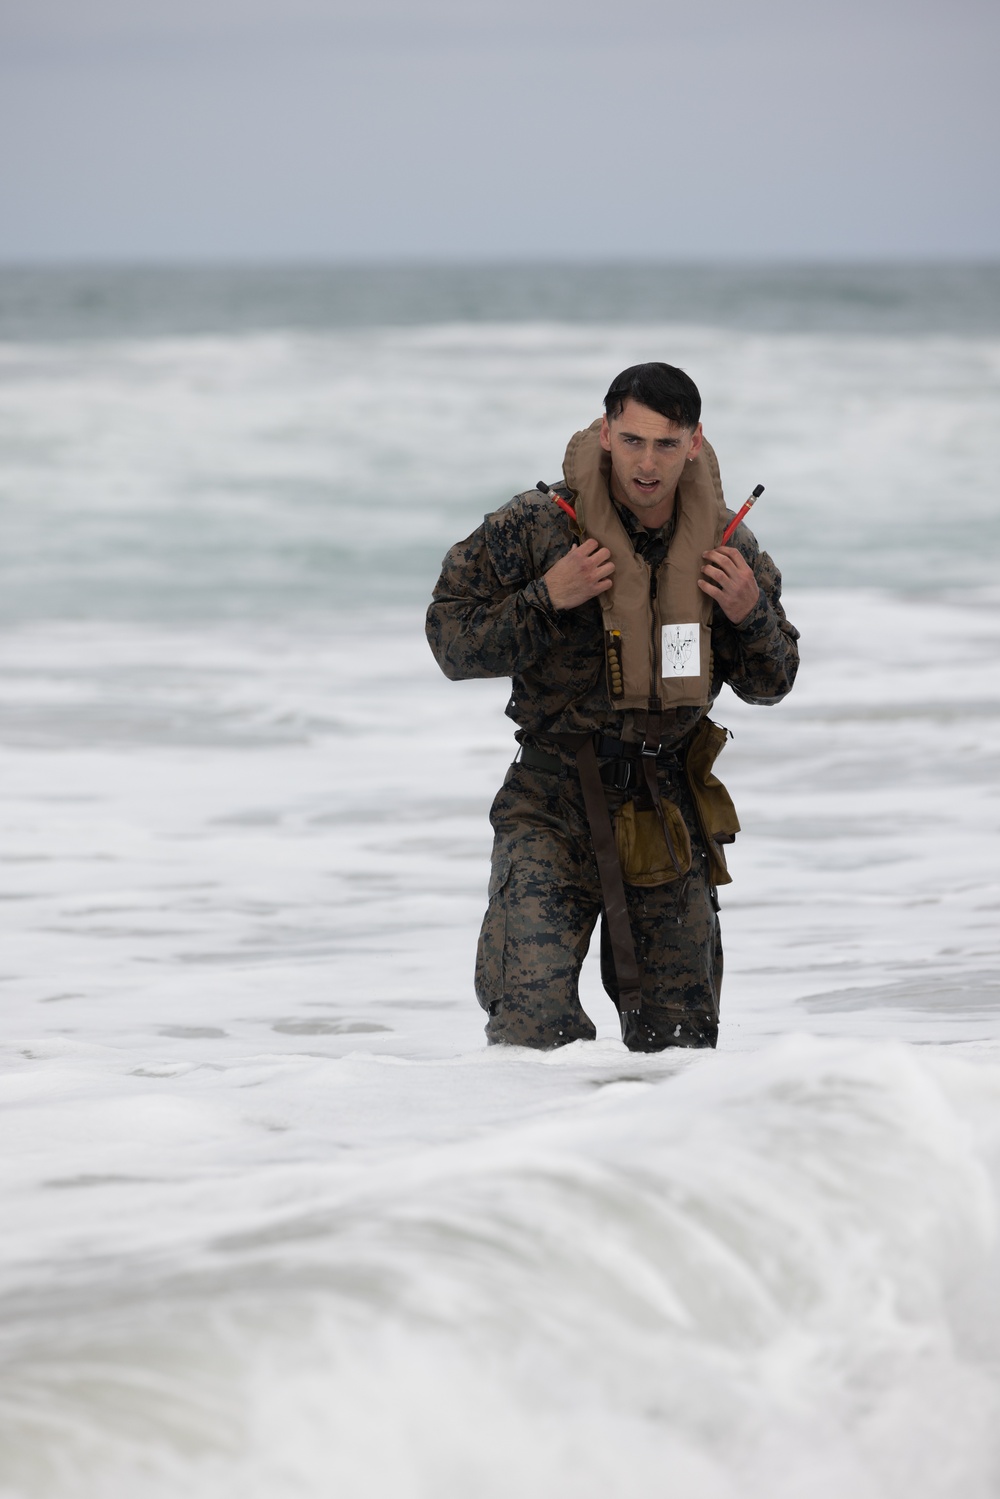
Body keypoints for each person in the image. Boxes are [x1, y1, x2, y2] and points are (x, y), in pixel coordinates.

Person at [426, 362, 799, 1051]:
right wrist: (546, 597)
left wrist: (752, 615)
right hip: (551, 801)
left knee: (681, 1043)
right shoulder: (536, 527)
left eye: (665, 443)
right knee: (529, 1027)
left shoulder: (728, 545)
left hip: (666, 808)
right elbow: (449, 641)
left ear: (694, 442)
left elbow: (773, 682)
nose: (646, 463)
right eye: (631, 440)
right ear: (604, 434)